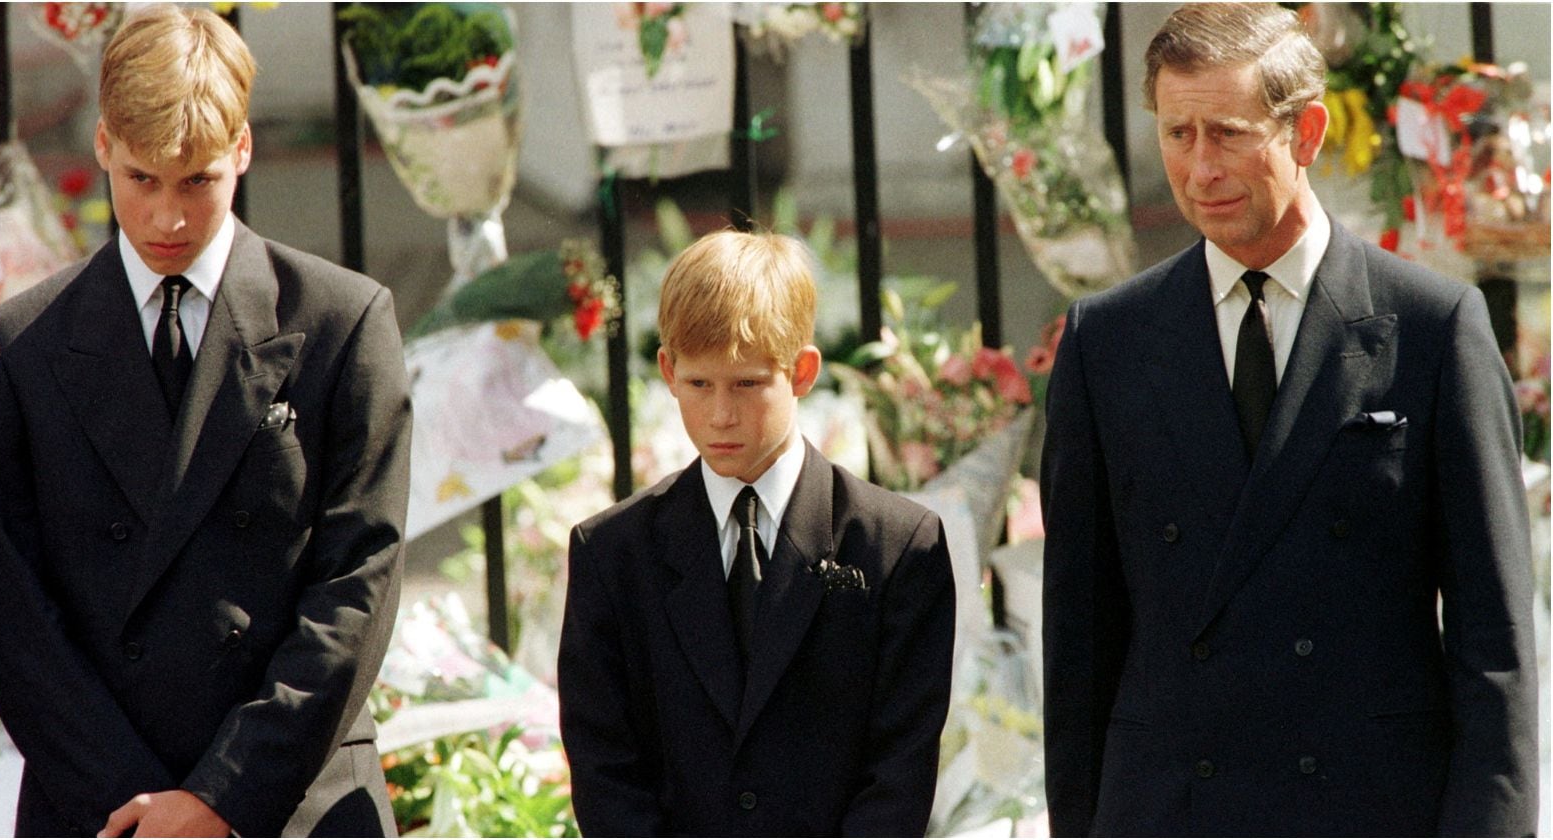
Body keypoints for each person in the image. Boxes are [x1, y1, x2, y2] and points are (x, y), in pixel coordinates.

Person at [1040, 4, 1538, 836]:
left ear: (1307, 131)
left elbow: (1496, 645)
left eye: (1228, 134)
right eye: (1177, 134)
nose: (1200, 169)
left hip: (1368, 808)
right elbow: (1079, 644)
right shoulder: (1107, 341)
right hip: (1170, 811)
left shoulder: (1434, 327)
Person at [0, 6, 411, 836]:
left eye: (198, 181)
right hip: (99, 811)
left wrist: (223, 797)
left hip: (293, 800)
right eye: (142, 179)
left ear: (241, 149)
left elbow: (358, 585)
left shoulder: (345, 324)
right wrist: (141, 812)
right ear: (102, 146)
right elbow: (17, 620)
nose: (169, 218)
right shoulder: (20, 347)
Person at [558, 230, 956, 836]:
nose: (720, 414)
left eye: (746, 384)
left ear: (801, 372)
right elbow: (605, 770)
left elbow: (898, 776)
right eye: (698, 385)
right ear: (667, 370)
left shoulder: (896, 546)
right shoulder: (612, 554)